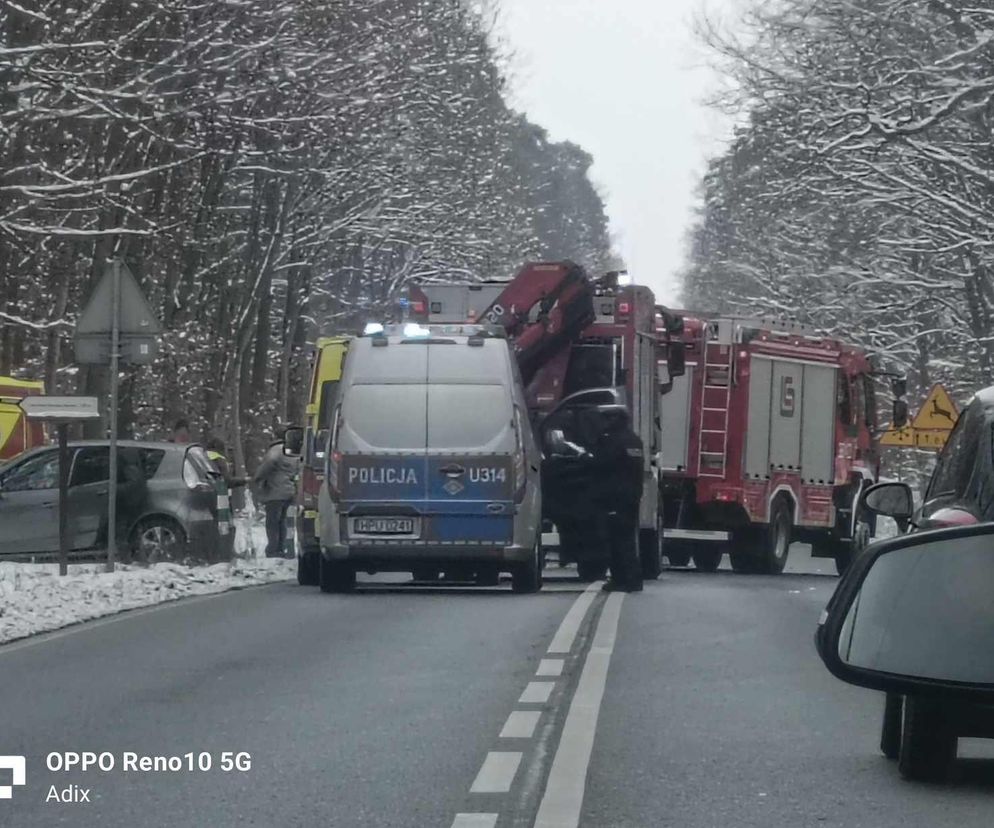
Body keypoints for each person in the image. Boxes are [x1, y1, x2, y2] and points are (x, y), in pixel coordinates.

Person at [589, 406, 644, 593]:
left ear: (614, 419)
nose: (603, 423)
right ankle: (633, 578)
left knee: (616, 541)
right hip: (632, 497)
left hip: (614, 497)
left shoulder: (611, 440)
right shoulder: (635, 441)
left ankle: (622, 579)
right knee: (627, 538)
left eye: (606, 419)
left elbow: (600, 464)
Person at [253, 431, 300, 558]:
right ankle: (281, 547)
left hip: (275, 491)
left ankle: (273, 549)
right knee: (282, 521)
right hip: (288, 490)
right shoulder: (293, 452)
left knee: (272, 522)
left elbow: (269, 463)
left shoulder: (276, 450)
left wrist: (257, 477)